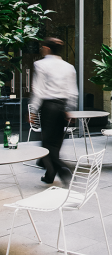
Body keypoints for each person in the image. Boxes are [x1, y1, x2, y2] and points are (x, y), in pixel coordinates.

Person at [29, 37, 78, 186]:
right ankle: (49, 174)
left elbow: (38, 90)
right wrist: (70, 109)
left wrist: (33, 110)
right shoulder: (69, 67)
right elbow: (72, 92)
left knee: (47, 144)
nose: (41, 49)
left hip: (48, 107)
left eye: (43, 47)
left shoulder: (40, 65)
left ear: (48, 49)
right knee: (55, 142)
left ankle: (63, 170)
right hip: (62, 107)